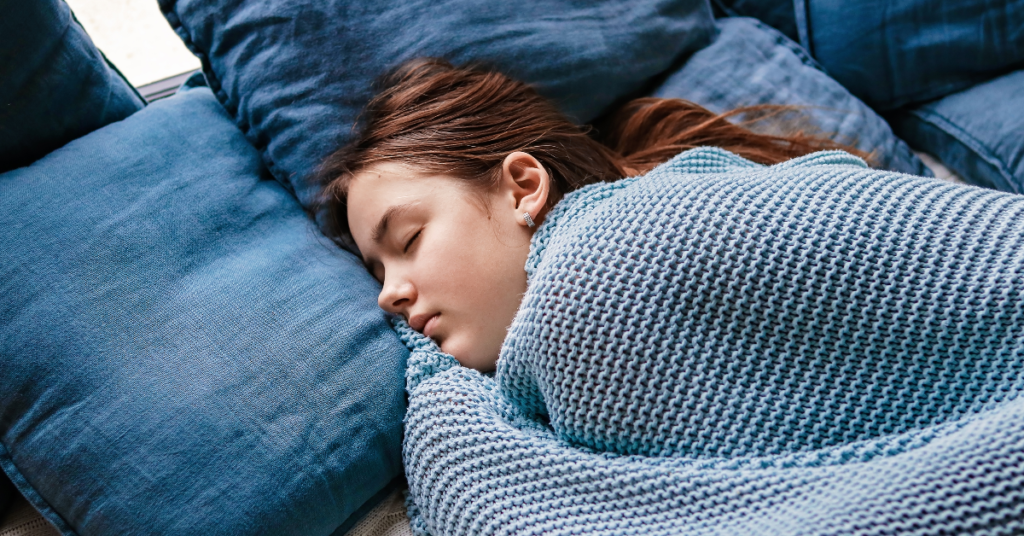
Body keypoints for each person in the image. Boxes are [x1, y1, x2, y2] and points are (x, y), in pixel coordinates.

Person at [316, 58, 858, 371]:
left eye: (408, 240)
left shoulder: (659, 227)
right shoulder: (475, 393)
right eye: (378, 272)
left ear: (523, 188)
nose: (387, 295)